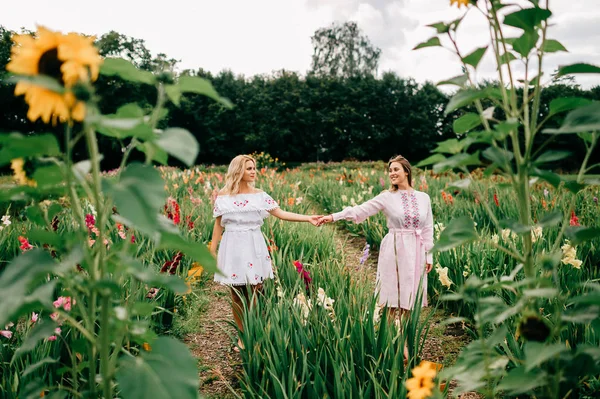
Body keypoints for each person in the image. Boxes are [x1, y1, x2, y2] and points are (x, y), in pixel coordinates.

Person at [318, 155, 434, 356]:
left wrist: (429, 256)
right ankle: (391, 343)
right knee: (391, 299)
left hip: (416, 250)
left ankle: (404, 343)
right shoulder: (387, 197)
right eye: (390, 171)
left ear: (406, 171)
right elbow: (360, 210)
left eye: (396, 169)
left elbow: (428, 228)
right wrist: (332, 217)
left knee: (408, 298)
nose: (392, 174)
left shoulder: (423, 198)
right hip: (395, 248)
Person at [210, 154, 321, 351]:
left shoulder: (260, 195)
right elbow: (218, 226)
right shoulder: (223, 196)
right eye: (249, 168)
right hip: (232, 245)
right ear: (238, 171)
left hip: (253, 244)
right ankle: (242, 335)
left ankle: (255, 331)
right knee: (236, 294)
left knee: (256, 291)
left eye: (254, 168)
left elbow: (281, 214)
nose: (254, 172)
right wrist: (211, 251)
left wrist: (308, 218)